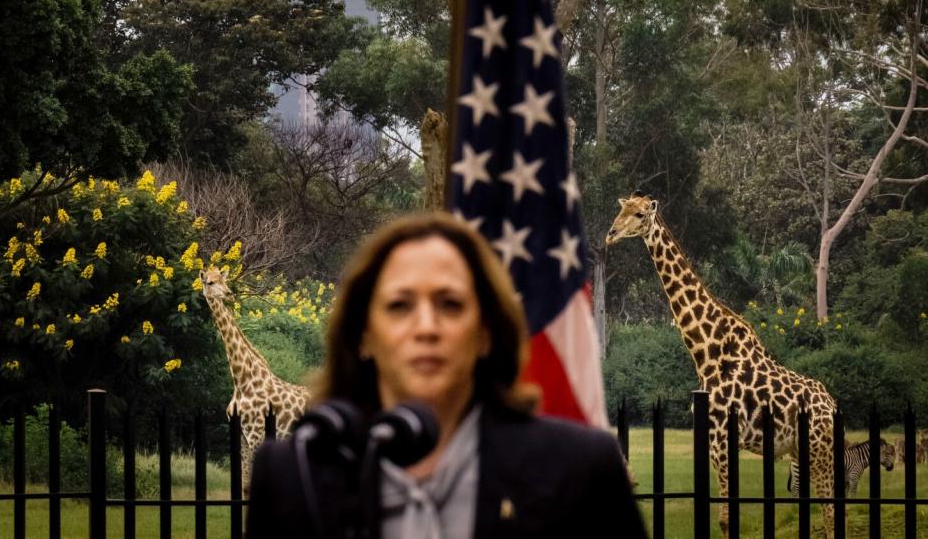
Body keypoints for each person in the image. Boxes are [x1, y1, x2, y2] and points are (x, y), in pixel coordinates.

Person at [246, 211, 646, 538]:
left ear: (486, 333)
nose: (426, 327)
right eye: (400, 306)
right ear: (363, 334)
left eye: (450, 304)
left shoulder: (583, 470)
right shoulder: (293, 476)